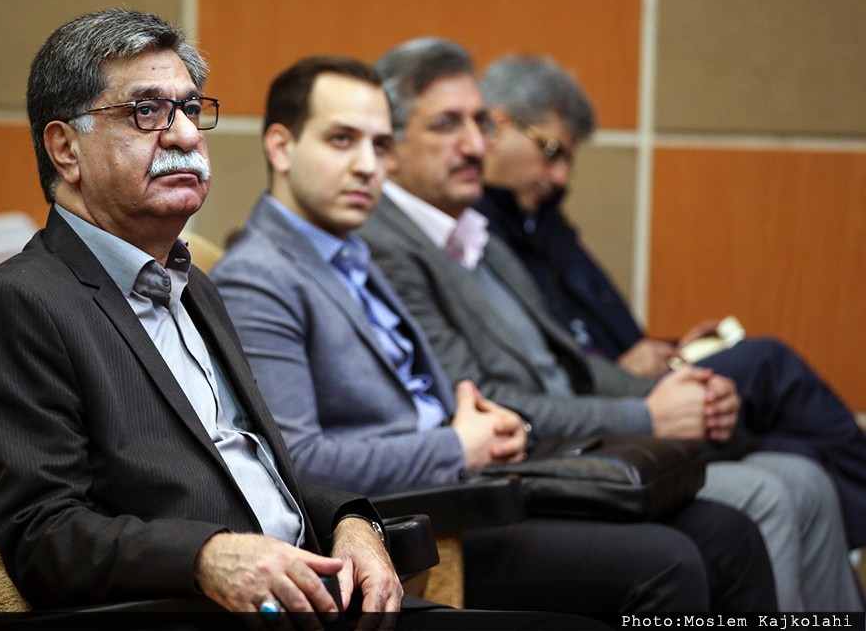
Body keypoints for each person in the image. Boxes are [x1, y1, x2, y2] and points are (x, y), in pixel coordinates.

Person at [0, 10, 603, 630]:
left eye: (189, 109)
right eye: (146, 111)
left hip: (318, 595)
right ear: (65, 149)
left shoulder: (195, 287)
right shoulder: (21, 304)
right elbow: (42, 534)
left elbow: (258, 466)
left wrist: (350, 521)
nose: (184, 135)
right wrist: (208, 557)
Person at [211, 54, 778, 616]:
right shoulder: (258, 276)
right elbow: (298, 463)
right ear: (281, 148)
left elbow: (430, 395)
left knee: (727, 534)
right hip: (410, 526)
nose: (367, 166)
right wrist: (458, 444)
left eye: (380, 145)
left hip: (472, 486)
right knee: (669, 562)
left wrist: (486, 422)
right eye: (342, 140)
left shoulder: (351, 254)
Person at [356, 36, 863, 613]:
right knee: (768, 489)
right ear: (389, 145)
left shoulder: (474, 231)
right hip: (532, 460)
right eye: (448, 125)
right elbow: (479, 398)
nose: (476, 144)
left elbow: (573, 363)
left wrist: (673, 390)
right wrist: (648, 414)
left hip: (580, 438)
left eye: (481, 123)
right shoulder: (385, 245)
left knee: (801, 476)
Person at [475, 54, 866, 549]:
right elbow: (539, 362)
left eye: (567, 159)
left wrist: (669, 349)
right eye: (552, 151)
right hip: (600, 407)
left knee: (800, 458)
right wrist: (623, 369)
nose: (560, 177)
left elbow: (585, 325)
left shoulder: (541, 221)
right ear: (499, 125)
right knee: (769, 364)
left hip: (635, 380)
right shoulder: (475, 233)